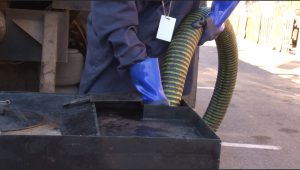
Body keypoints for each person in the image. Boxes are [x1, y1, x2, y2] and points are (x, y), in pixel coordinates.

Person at [79, 1, 239, 105]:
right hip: (114, 83)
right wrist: (144, 74)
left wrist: (220, 12)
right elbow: (115, 22)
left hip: (170, 78)